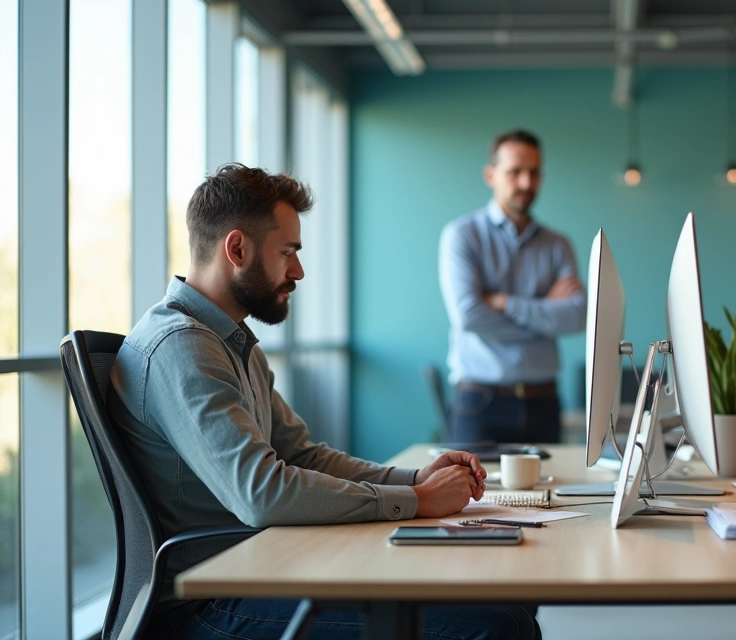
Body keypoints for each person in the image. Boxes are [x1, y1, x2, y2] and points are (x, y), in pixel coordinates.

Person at [110, 164, 538, 640]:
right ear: (237, 249)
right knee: (497, 625)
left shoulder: (229, 343)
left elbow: (300, 455)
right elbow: (262, 493)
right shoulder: (182, 347)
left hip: (260, 569)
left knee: (506, 599)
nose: (298, 270)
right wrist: (415, 501)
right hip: (207, 605)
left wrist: (417, 479)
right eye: (287, 252)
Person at [438, 130, 587, 444]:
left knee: (552, 493)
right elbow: (468, 316)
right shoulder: (462, 236)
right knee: (469, 495)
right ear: (490, 175)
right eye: (515, 172)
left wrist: (504, 302)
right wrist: (545, 317)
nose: (525, 183)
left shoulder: (558, 245)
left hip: (544, 402)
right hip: (480, 403)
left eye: (533, 173)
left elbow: (577, 317)